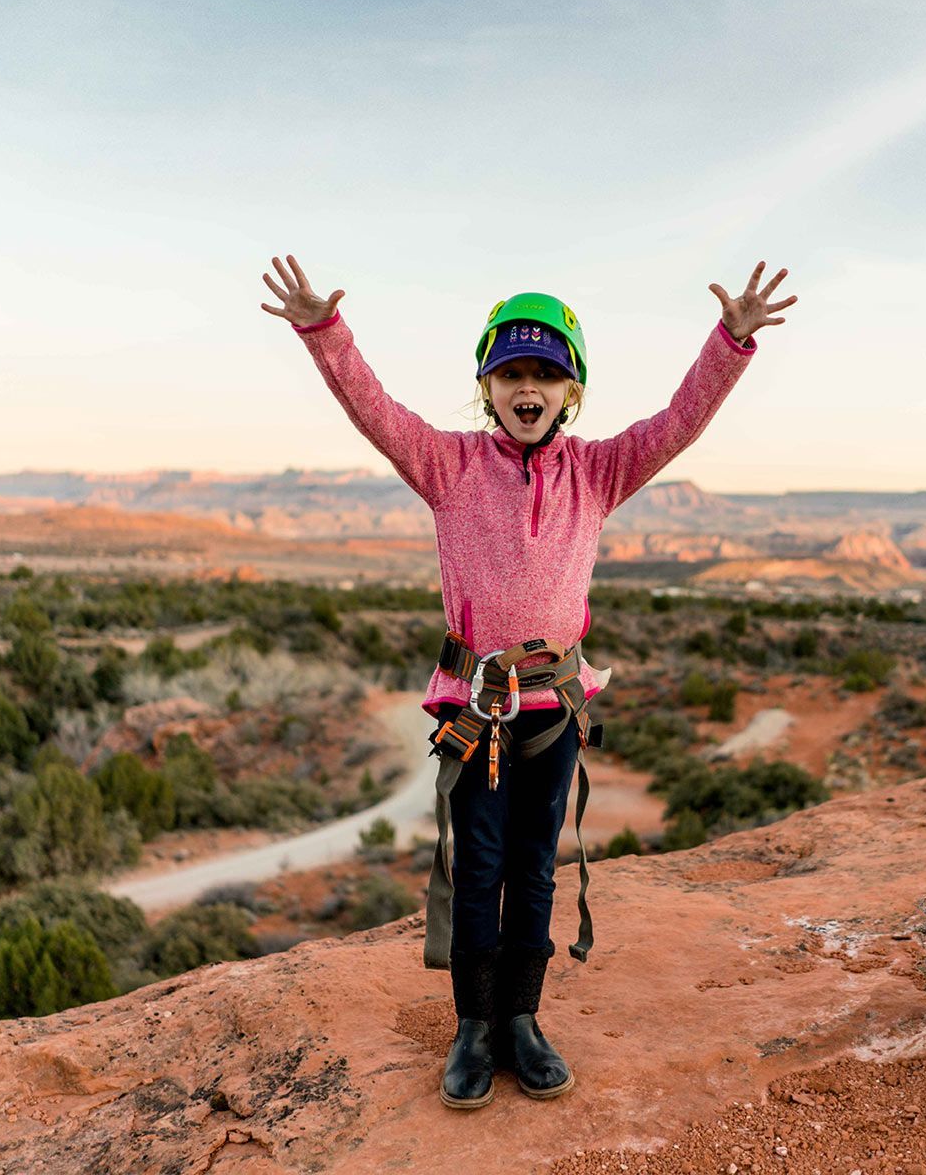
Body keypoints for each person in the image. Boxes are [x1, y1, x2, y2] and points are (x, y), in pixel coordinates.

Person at [261, 253, 794, 1109]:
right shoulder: (445, 467)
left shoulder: (598, 473)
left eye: (546, 372)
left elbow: (676, 424)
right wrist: (324, 332)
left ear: (571, 390)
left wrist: (729, 342)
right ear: (487, 386)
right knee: (479, 869)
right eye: (511, 371)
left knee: (535, 873)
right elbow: (375, 410)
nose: (528, 385)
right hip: (476, 711)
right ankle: (472, 1030)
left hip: (554, 715)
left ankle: (520, 1021)